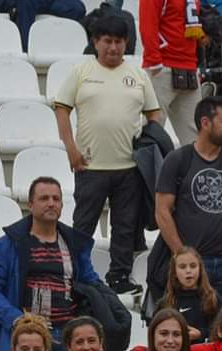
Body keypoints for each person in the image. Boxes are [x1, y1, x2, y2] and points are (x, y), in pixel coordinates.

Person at [55, 15, 161, 296]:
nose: (113, 47)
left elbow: (154, 114)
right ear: (96, 42)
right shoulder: (82, 71)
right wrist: (71, 149)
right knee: (83, 225)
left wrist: (148, 146)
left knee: (124, 227)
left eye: (119, 41)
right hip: (90, 165)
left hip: (128, 166)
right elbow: (62, 109)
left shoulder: (138, 74)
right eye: (107, 41)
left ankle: (120, 276)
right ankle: (75, 276)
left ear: (126, 42)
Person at [0, 177, 101, 351]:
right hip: (24, 337)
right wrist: (17, 319)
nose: (51, 203)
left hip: (65, 337)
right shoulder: (9, 244)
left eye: (56, 199)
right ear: (30, 205)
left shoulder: (74, 244)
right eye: (44, 198)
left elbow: (90, 284)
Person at [154, 97, 222, 303]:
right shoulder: (178, 159)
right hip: (192, 266)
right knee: (191, 328)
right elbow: (162, 211)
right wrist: (182, 256)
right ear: (205, 123)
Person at [139, 0, 200, 145]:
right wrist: (154, 61)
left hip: (189, 65)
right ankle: (145, 168)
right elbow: (148, 22)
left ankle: (196, 168)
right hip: (163, 65)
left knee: (195, 135)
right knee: (152, 130)